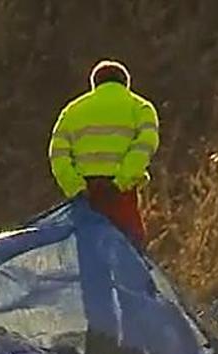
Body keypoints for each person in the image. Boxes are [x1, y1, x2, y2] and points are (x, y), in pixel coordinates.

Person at [48, 59, 160, 247]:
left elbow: (57, 154)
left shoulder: (72, 111)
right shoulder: (141, 108)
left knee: (91, 254)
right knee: (129, 252)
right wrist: (122, 181)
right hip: (121, 194)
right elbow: (145, 146)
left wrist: (75, 187)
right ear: (126, 83)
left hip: (86, 197)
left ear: (94, 84)